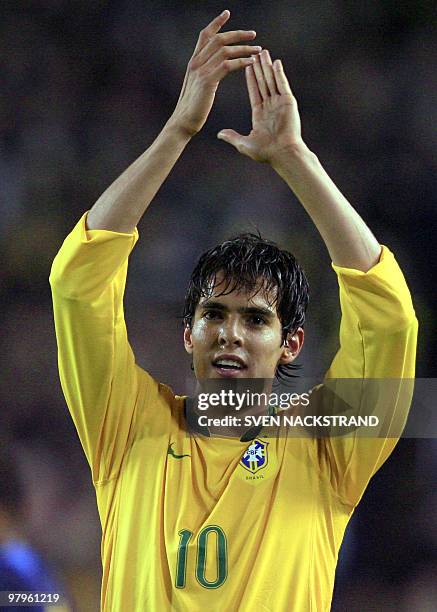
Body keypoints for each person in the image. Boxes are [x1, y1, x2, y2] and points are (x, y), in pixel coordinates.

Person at [49, 10, 418, 611]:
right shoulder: (126, 424)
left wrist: (294, 158)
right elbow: (77, 282)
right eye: (213, 315)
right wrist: (176, 132)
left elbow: (389, 321)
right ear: (188, 333)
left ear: (291, 344)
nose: (230, 334)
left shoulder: (327, 446)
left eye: (256, 319)